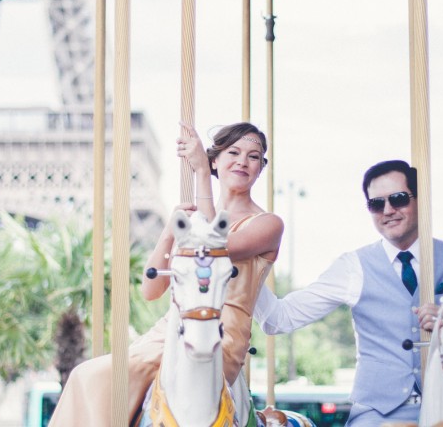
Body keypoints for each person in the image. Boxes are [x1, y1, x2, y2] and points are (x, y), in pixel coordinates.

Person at [49, 121, 284, 425]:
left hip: (219, 332)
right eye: (233, 152)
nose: (242, 161)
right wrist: (169, 230)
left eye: (253, 156)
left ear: (261, 167)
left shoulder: (268, 224)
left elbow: (216, 246)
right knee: (88, 375)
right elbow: (152, 290)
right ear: (216, 160)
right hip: (173, 328)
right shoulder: (193, 221)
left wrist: (200, 174)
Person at [254, 159, 443, 426]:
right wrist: (248, 268)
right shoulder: (353, 267)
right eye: (376, 204)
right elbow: (279, 319)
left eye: (398, 199)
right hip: (378, 414)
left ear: (419, 200)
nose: (388, 210)